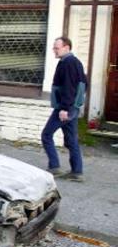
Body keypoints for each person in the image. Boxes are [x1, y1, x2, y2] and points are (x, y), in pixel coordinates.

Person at [41, 36, 87, 182]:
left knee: (46, 135)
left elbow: (69, 87)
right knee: (72, 140)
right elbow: (84, 84)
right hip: (71, 107)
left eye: (56, 48)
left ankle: (54, 167)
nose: (54, 50)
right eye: (54, 47)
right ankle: (77, 172)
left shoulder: (68, 63)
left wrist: (64, 108)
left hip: (65, 107)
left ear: (66, 47)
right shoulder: (73, 62)